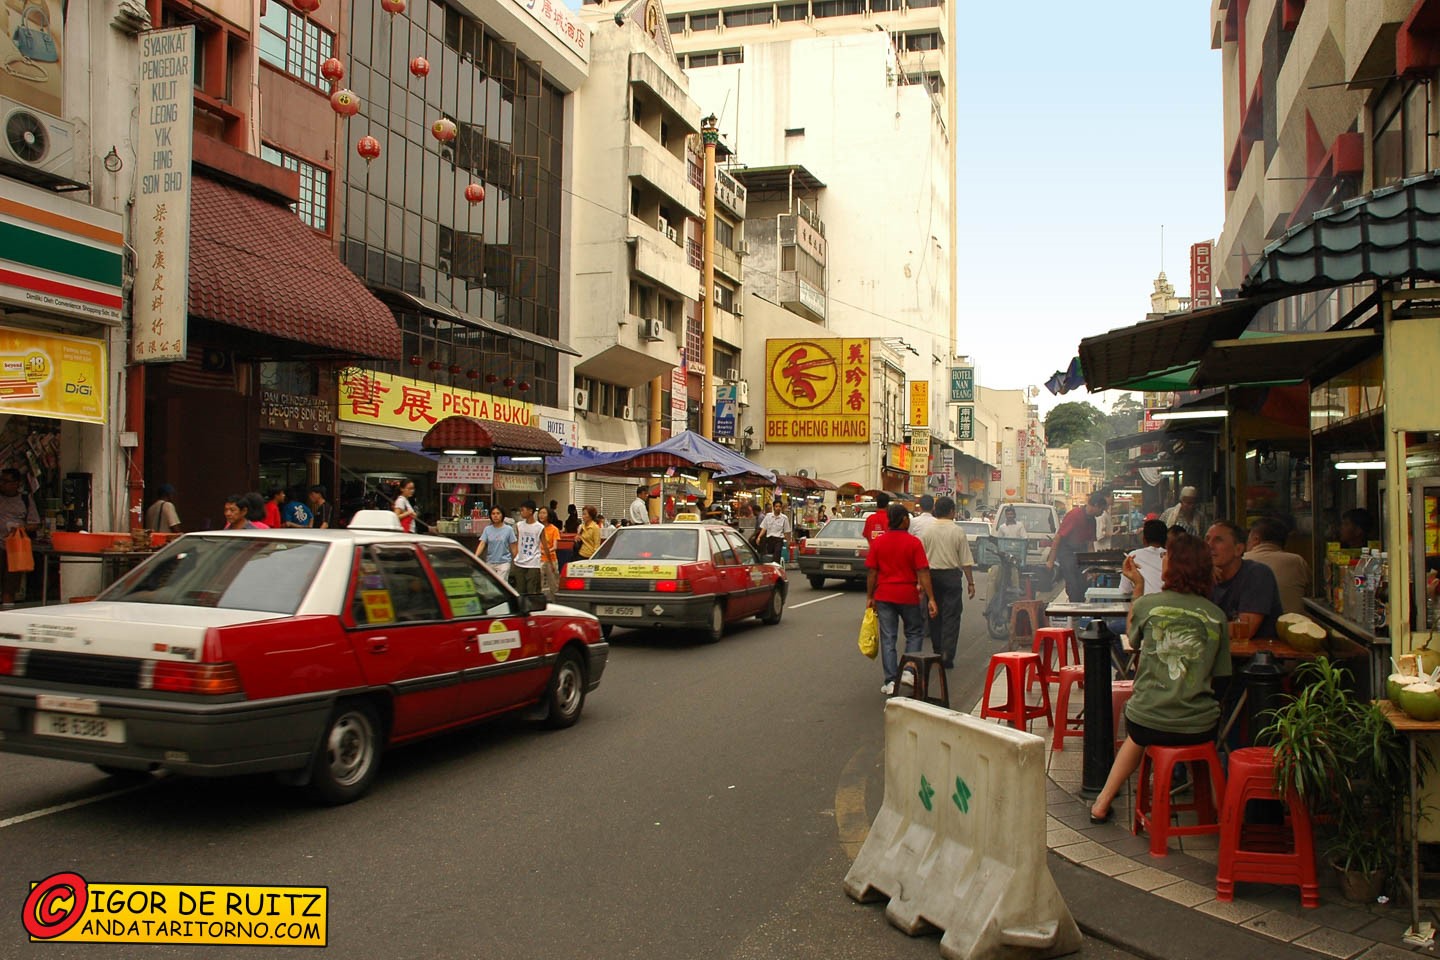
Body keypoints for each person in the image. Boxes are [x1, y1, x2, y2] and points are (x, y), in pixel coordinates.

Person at [1088, 533, 1231, 824]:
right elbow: (1221, 675)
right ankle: (1223, 815)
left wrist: (1138, 587)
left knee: (1137, 735)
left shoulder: (1148, 606)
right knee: (1208, 747)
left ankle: (1101, 803)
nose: (1162, 559)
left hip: (1146, 720)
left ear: (1176, 566)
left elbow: (1132, 637)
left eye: (1167, 556)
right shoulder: (1217, 616)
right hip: (1199, 726)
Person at [865, 503, 939, 695]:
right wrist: (931, 598)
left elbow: (872, 572)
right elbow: (923, 571)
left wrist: (870, 596)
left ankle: (890, 681)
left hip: (884, 595)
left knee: (888, 638)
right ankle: (908, 671)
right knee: (914, 633)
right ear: (904, 520)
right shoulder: (914, 543)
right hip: (908, 595)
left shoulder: (879, 543)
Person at [915, 496, 977, 668]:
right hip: (951, 577)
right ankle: (947, 655)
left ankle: (937, 651)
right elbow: (966, 561)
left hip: (931, 578)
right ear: (951, 511)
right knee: (951, 617)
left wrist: (920, 582)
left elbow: (920, 561)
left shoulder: (927, 532)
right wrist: (970, 583)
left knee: (934, 615)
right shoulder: (957, 531)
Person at [1206, 520, 1283, 641]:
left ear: (1238, 549)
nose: (1209, 545)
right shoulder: (1204, 575)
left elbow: (1244, 630)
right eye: (1207, 539)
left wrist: (1199, 630)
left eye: (1218, 540)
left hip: (1254, 657)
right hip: (1220, 654)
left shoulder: (1257, 574)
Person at [1048, 492, 1107, 602]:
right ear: (1095, 505)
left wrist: (1093, 566)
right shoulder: (1074, 515)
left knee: (1083, 584)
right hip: (1067, 552)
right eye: (1102, 509)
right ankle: (1074, 610)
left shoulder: (1092, 521)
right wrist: (1051, 561)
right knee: (1073, 585)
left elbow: (1090, 545)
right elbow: (1058, 537)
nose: (1102, 512)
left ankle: (1079, 608)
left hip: (1081, 553)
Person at [1246, 517, 1310, 615]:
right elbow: (1311, 592)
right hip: (1295, 626)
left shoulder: (1243, 561)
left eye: (1248, 539)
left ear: (1255, 539)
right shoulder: (1297, 561)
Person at [0, 469, 39, 606]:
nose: (3, 484)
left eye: (7, 481)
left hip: (15, 550)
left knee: (10, 587)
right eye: (1, 481)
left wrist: (20, 528)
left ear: (16, 483)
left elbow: (34, 524)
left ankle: (6, 614)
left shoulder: (25, 500)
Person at [1120, 519, 1169, 598]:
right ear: (1166, 540)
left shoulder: (1133, 556)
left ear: (1144, 540)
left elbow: (1125, 590)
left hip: (1144, 605)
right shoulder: (1173, 556)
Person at [512, 501, 545, 595]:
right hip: (520, 562)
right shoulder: (519, 525)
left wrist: (550, 562)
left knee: (532, 590)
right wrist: (516, 555)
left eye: (523, 510)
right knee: (521, 590)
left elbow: (545, 545)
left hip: (533, 562)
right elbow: (518, 540)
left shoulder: (539, 527)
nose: (521, 512)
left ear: (530, 511)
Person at [479, 506, 517, 581]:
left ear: (502, 515)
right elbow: (482, 544)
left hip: (504, 562)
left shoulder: (508, 529)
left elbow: (513, 546)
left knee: (501, 583)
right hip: (490, 561)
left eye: (498, 513)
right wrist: (475, 556)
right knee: (490, 584)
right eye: (493, 514)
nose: (495, 516)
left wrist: (517, 560)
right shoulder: (487, 529)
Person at [537, 506, 561, 599]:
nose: (541, 515)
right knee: (539, 583)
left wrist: (545, 551)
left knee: (554, 584)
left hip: (551, 559)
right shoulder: (537, 528)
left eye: (544, 513)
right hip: (539, 559)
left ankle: (556, 602)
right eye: (540, 513)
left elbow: (555, 547)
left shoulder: (554, 529)